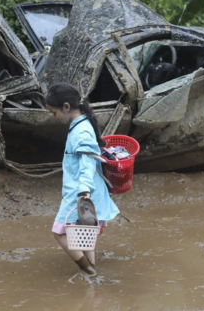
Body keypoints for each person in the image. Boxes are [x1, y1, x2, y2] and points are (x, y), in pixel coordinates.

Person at [46, 82, 120, 278]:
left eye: (54, 113)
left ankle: (88, 271)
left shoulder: (81, 131)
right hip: (84, 187)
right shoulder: (81, 124)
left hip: (80, 190)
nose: (54, 117)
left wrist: (84, 191)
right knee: (84, 233)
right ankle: (93, 271)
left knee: (59, 232)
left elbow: (87, 162)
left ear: (67, 107)